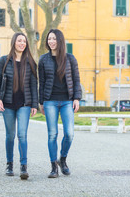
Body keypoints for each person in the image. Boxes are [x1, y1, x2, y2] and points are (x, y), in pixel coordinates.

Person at [0, 32, 38, 180]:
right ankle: (9, 164)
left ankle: (23, 166)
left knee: (22, 135)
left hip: (24, 104)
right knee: (10, 135)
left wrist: (34, 104)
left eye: (24, 41)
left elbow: (33, 85)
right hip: (8, 104)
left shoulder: (30, 62)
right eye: (19, 41)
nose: (22, 43)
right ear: (14, 42)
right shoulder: (3, 61)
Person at [38, 29, 81, 178]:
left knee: (69, 133)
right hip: (50, 101)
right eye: (49, 39)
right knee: (52, 134)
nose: (51, 41)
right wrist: (41, 102)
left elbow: (76, 80)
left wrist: (76, 98)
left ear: (60, 40)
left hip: (67, 101)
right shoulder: (43, 59)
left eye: (54, 39)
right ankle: (53, 167)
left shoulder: (70, 58)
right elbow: (41, 82)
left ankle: (62, 159)